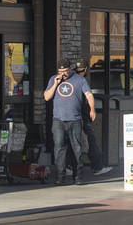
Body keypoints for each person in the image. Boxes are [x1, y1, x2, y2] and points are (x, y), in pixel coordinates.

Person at [43, 57, 95, 185]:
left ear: (70, 69)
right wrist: (55, 83)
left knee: (76, 148)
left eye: (65, 71)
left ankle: (78, 177)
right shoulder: (53, 79)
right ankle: (60, 177)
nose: (63, 74)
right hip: (58, 120)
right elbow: (46, 97)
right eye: (60, 71)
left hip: (74, 119)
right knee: (59, 147)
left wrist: (92, 109)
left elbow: (89, 94)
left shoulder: (79, 80)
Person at [68, 58, 112, 177]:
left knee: (71, 141)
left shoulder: (70, 80)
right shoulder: (81, 81)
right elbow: (88, 97)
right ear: (86, 69)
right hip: (80, 116)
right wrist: (91, 110)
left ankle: (69, 166)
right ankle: (97, 167)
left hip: (70, 116)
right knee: (90, 141)